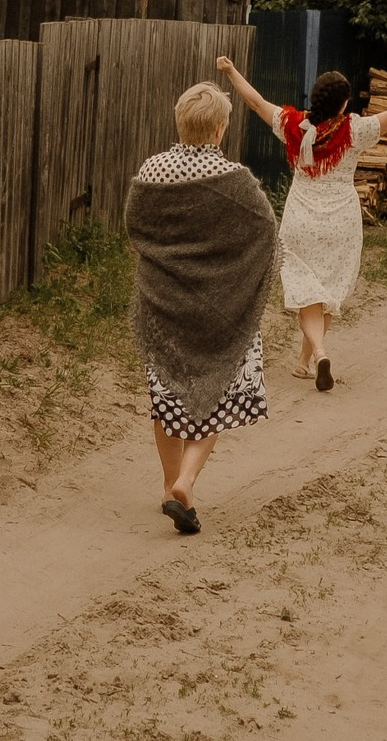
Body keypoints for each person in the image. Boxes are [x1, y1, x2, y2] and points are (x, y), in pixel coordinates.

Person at [216, 55, 387, 390]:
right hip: (341, 220)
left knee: (308, 290)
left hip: (300, 217)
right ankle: (313, 356)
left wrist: (232, 71)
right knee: (328, 289)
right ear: (344, 103)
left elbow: (255, 101)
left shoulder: (292, 125)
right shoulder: (354, 130)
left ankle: (311, 357)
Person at [125, 79, 280, 535]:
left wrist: (167, 264)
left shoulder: (151, 170)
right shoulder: (233, 179)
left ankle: (168, 484)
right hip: (221, 310)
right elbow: (264, 232)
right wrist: (230, 274)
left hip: (162, 305)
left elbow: (136, 229)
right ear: (218, 129)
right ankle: (187, 482)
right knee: (214, 394)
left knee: (167, 397)